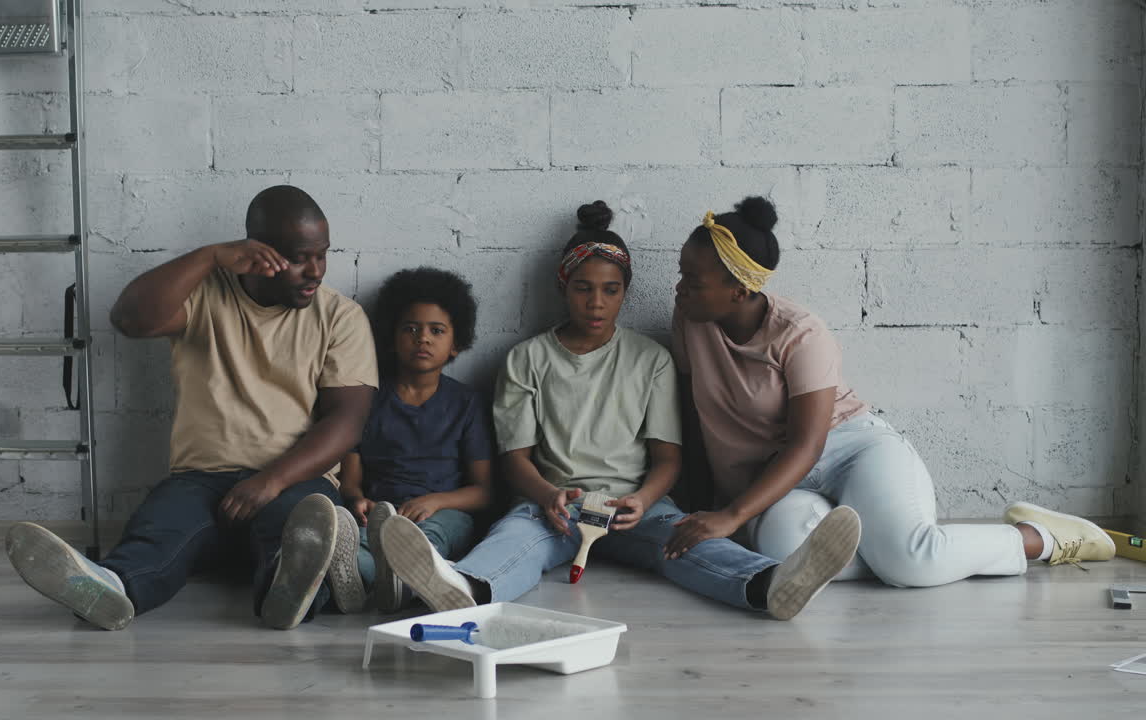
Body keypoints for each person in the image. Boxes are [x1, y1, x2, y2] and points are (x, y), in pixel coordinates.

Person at [381, 201, 862, 620]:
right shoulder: (525, 359)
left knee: (687, 543)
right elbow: (516, 459)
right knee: (513, 541)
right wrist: (549, 495)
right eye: (583, 288)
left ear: (625, 292)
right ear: (563, 286)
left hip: (634, 506)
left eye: (610, 290)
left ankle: (768, 585)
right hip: (553, 508)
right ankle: (464, 587)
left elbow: (668, 459)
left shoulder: (651, 359)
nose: (596, 302)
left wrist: (645, 500)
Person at [670, 196, 1115, 588]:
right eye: (681, 273)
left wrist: (731, 516)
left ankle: (1039, 538)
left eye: (694, 280)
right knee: (784, 554)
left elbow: (808, 446)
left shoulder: (800, 333)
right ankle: (894, 558)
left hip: (849, 450)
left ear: (739, 288)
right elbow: (694, 415)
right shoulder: (690, 322)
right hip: (777, 481)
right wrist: (702, 503)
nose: (680, 287)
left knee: (912, 559)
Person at [4, 185, 378, 630]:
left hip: (293, 478)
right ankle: (109, 587)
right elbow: (130, 319)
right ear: (260, 253)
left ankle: (287, 589)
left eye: (322, 255)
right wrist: (210, 256)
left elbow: (347, 421)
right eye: (300, 258)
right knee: (157, 536)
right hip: (201, 481)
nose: (314, 271)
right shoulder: (205, 296)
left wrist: (270, 481)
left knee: (300, 534)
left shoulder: (340, 316)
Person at [334, 267, 494, 613]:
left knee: (427, 541)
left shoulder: (467, 403)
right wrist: (358, 500)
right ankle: (384, 581)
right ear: (392, 337)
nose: (423, 339)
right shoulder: (368, 400)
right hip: (382, 515)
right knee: (355, 542)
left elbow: (484, 491)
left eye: (437, 331)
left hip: (444, 515)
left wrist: (435, 502)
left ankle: (386, 582)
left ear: (456, 344)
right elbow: (350, 481)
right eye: (411, 329)